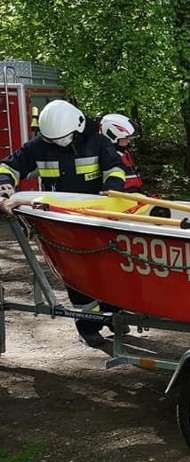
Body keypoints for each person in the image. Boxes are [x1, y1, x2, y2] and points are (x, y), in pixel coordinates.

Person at [0, 100, 127, 347]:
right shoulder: (40, 146)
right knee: (77, 277)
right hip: (61, 225)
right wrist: (5, 186)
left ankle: (115, 317)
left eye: (64, 138)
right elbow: (9, 166)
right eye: (53, 140)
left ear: (78, 126)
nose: (59, 143)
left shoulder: (97, 143)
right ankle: (88, 326)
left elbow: (115, 168)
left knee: (109, 271)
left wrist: (112, 188)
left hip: (97, 220)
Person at [100, 113, 143, 191]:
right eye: (126, 138)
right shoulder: (108, 155)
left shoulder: (123, 152)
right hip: (121, 196)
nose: (129, 141)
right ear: (112, 135)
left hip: (133, 195)